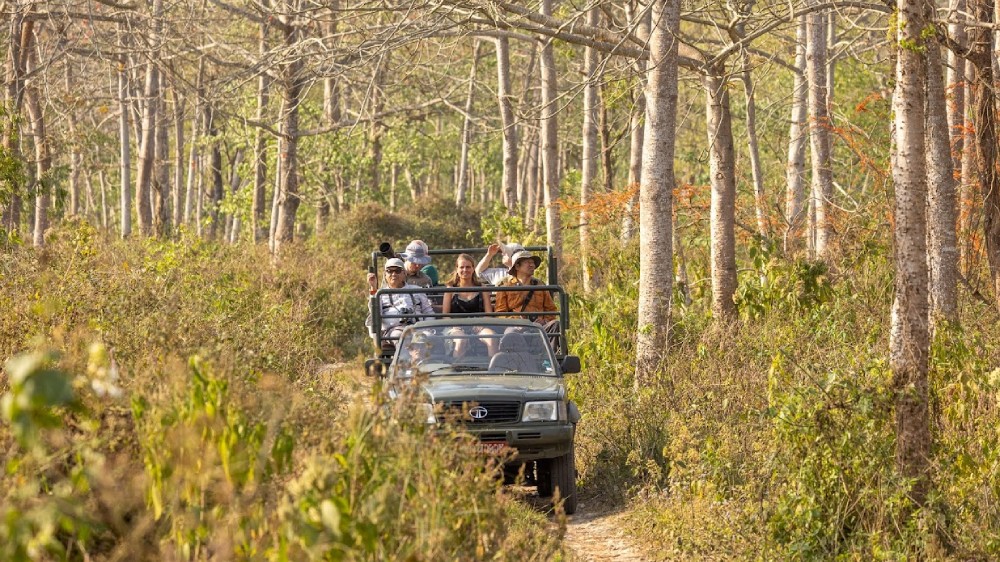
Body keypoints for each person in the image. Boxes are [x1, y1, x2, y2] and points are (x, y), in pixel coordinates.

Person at [366, 258, 433, 348]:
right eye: (390, 271)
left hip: (418, 328)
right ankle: (407, 360)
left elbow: (428, 312)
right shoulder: (380, 294)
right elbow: (375, 313)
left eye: (397, 271)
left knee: (427, 336)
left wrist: (427, 328)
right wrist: (373, 288)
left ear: (404, 273)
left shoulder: (417, 290)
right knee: (400, 337)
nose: (393, 274)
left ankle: (420, 360)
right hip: (394, 330)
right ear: (385, 274)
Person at [442, 254, 496, 357]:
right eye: (462, 267)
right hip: (455, 327)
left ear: (473, 268)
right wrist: (455, 326)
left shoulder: (481, 287)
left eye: (468, 267)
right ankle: (456, 369)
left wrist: (481, 324)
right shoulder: (450, 288)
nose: (465, 270)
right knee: (461, 340)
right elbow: (445, 315)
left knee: (492, 337)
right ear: (457, 269)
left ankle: (494, 370)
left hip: (478, 326)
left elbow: (489, 314)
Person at [494, 250, 557, 325]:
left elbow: (551, 310)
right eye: (527, 262)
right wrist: (516, 321)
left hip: (539, 328)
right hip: (515, 326)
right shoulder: (505, 286)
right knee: (512, 333)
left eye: (532, 263)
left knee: (555, 324)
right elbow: (500, 313)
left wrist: (544, 321)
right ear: (517, 266)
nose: (532, 265)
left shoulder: (540, 286)